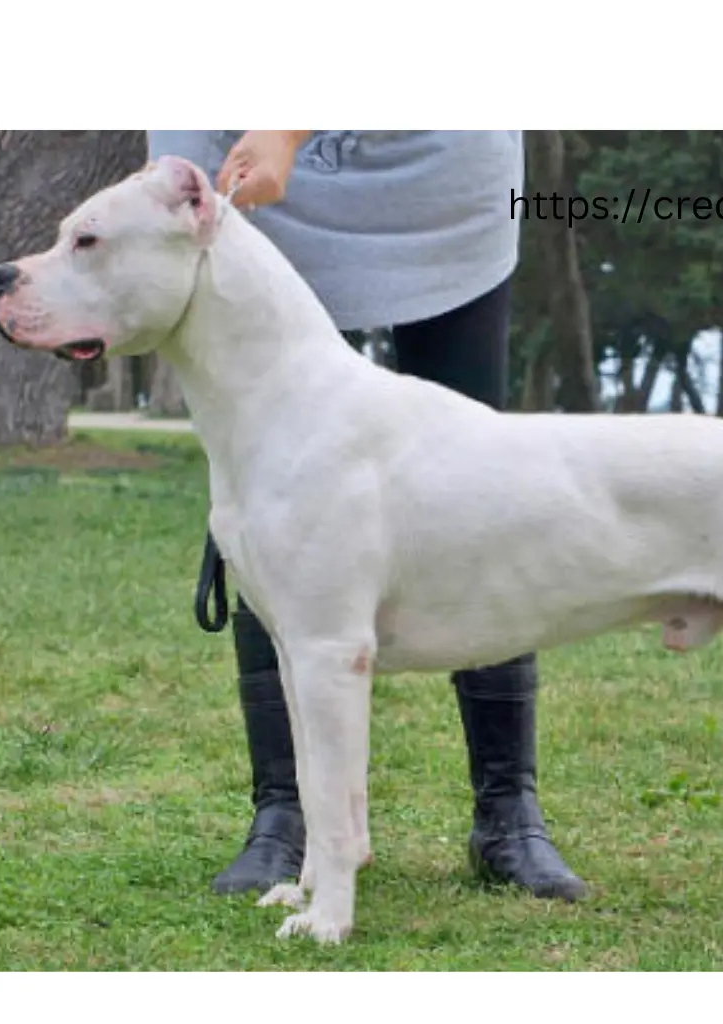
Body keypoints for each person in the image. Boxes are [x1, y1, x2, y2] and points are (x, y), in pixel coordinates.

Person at [144, 129, 586, 902]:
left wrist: (286, 124)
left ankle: (507, 809)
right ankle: (285, 814)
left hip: (433, 175)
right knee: (281, 497)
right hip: (255, 189)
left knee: (481, 491)